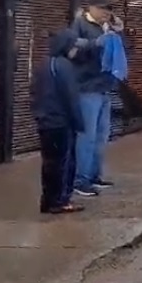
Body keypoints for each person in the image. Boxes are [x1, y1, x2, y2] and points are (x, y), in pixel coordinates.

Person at [70, 0, 124, 196]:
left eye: (109, 10)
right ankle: (80, 180)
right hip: (87, 88)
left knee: (101, 136)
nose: (106, 13)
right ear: (91, 8)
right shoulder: (80, 24)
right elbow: (72, 49)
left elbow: (120, 52)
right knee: (87, 136)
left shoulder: (106, 27)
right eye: (102, 9)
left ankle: (94, 176)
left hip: (104, 88)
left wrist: (119, 32)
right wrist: (95, 43)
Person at [31, 29, 86, 214]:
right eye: (74, 46)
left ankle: (48, 200)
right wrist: (79, 122)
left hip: (45, 122)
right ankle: (60, 201)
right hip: (61, 122)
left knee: (49, 163)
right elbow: (71, 97)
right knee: (64, 162)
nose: (76, 50)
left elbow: (34, 92)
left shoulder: (43, 65)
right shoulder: (64, 66)